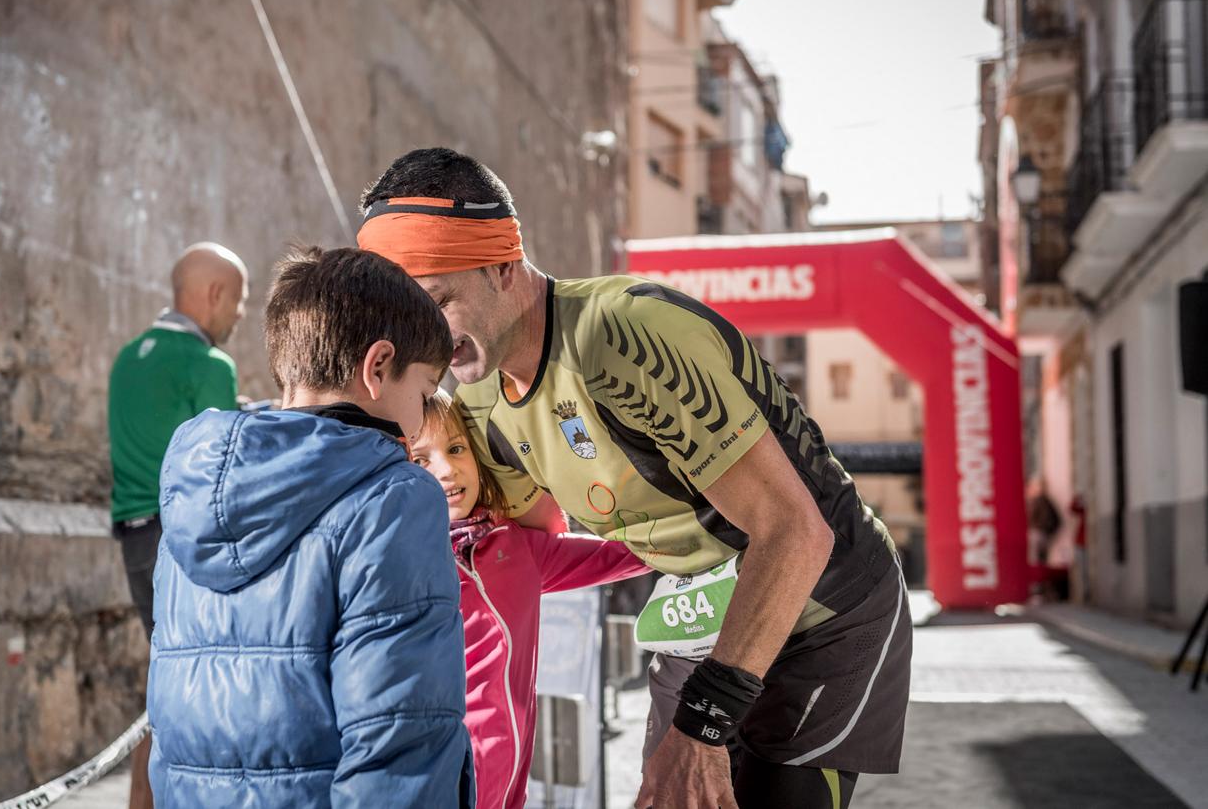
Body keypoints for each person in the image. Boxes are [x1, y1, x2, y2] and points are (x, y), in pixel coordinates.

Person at [357, 148, 912, 809]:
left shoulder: (625, 334)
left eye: (440, 301)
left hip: (820, 603)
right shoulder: (477, 399)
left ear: (505, 264)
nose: (431, 336)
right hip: (700, 613)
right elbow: (518, 561)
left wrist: (704, 725)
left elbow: (795, 532)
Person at [146, 246, 474, 808]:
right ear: (378, 367)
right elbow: (399, 743)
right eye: (423, 393)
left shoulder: (190, 496)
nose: (420, 427)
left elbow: (171, 734)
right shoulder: (394, 499)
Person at [411, 391, 649, 809]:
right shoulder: (402, 568)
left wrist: (707, 520)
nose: (447, 470)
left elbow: (628, 554)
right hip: (444, 786)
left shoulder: (517, 548)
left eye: (455, 448)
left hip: (513, 785)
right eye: (420, 460)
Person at [106, 241, 248, 809]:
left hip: (135, 539)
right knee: (196, 693)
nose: (239, 314)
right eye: (237, 301)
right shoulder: (209, 364)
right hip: (183, 544)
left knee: (163, 685)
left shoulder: (127, 356)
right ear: (213, 294)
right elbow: (228, 468)